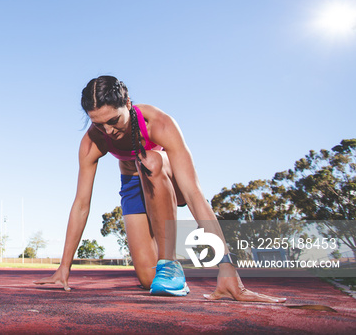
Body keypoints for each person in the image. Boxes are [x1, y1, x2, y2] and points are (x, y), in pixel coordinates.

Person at [35, 76, 285, 302]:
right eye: (99, 124)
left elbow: (194, 194)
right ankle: (163, 268)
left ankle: (169, 263)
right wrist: (64, 267)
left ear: (128, 103)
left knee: (150, 160)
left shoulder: (159, 124)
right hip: (133, 185)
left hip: (166, 177)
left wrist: (226, 266)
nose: (108, 131)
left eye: (113, 121)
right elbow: (81, 204)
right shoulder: (92, 141)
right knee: (148, 280)